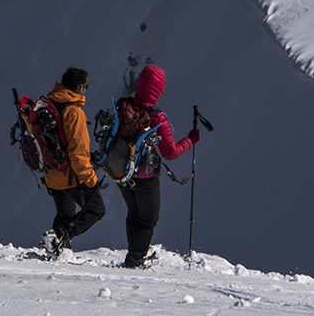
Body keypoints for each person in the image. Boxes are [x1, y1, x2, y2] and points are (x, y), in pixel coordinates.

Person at [118, 64, 200, 268]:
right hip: (146, 177)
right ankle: (135, 260)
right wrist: (191, 140)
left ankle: (133, 254)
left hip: (122, 172)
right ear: (158, 89)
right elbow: (170, 153)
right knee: (148, 218)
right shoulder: (157, 118)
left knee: (133, 214)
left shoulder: (124, 108)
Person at [41, 67, 105, 252]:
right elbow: (78, 153)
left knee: (65, 215)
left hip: (51, 174)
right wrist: (90, 179)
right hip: (70, 176)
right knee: (97, 210)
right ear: (80, 87)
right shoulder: (73, 112)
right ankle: (58, 237)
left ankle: (58, 249)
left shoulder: (51, 106)